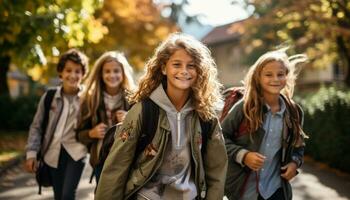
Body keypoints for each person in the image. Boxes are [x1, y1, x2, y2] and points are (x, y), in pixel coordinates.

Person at [95, 33, 228, 200]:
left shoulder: (206, 115)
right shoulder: (144, 111)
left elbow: (216, 170)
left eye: (191, 65)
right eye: (177, 64)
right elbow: (116, 165)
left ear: (200, 70)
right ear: (164, 67)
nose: (184, 71)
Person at [222, 48, 308, 200]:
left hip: (276, 189)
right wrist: (244, 155)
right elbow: (219, 138)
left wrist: (295, 163)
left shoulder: (294, 112)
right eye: (268, 75)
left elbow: (298, 145)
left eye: (280, 74)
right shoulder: (244, 107)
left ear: (286, 77)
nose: (275, 79)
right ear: (258, 78)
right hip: (243, 190)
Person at [25, 49, 89, 200]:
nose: (73, 75)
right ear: (60, 72)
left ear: (83, 74)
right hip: (52, 152)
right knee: (59, 195)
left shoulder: (88, 98)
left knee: (67, 195)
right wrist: (32, 153)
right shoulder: (50, 97)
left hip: (76, 152)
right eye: (68, 70)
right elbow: (36, 126)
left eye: (77, 71)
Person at [76, 51, 135, 183]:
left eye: (116, 71)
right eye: (107, 71)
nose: (112, 75)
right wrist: (91, 133)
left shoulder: (134, 99)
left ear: (123, 73)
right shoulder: (91, 100)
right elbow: (79, 135)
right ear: (101, 74)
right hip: (101, 161)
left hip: (127, 161)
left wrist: (130, 120)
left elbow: (144, 132)